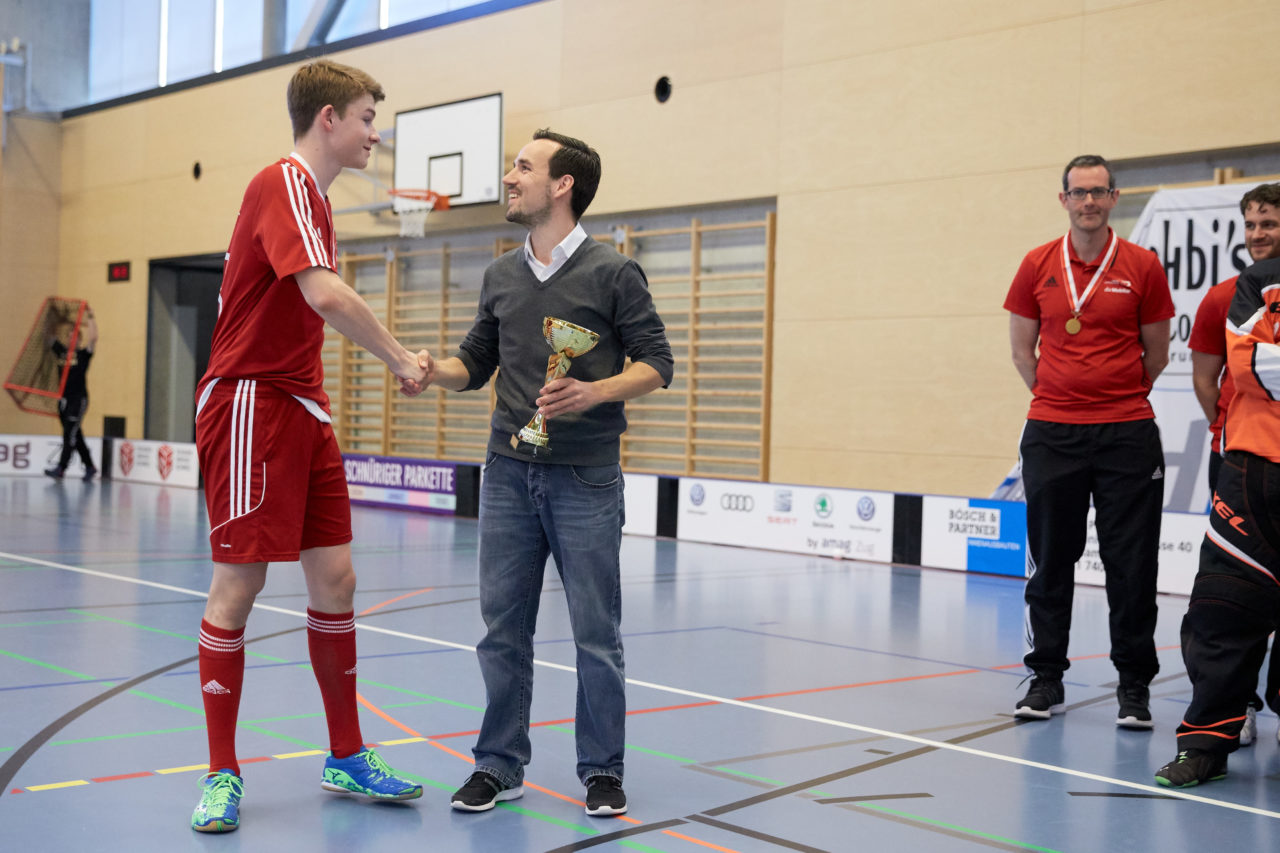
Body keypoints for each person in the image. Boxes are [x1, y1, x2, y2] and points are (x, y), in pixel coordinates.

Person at [188, 59, 429, 833]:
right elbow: (324, 294)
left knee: (336, 577)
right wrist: (400, 357)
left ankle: (346, 752)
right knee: (240, 584)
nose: (374, 133)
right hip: (251, 401)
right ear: (329, 118)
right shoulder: (285, 182)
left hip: (302, 405)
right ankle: (221, 771)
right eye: (366, 117)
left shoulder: (315, 201)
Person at [422, 129, 673, 817]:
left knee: (596, 632)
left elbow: (658, 363)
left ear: (562, 185)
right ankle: (498, 763)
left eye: (523, 167)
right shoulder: (500, 275)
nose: (510, 177)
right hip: (507, 472)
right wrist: (432, 371)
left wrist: (594, 392)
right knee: (501, 629)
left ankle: (602, 769)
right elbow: (475, 364)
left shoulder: (614, 273)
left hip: (586, 479)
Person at [1004, 154, 1174, 727]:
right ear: (1064, 200)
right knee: (1051, 560)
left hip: (1127, 433)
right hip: (1053, 433)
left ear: (1114, 198)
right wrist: (1060, 397)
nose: (1090, 202)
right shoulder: (1036, 264)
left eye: (1099, 192)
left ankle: (1134, 687)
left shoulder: (1143, 266)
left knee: (1133, 564)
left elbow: (1157, 354)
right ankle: (1045, 678)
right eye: (1079, 193)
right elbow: (1022, 352)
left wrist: (1113, 398)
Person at [1154, 252, 1280, 787]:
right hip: (1253, 473)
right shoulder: (1260, 282)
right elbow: (1252, 367)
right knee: (1221, 606)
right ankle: (1206, 743)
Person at [1187, 183, 1280, 747]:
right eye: (1250, 224)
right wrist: (1228, 433)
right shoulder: (1225, 295)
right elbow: (1206, 378)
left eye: (1268, 223)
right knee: (1231, 593)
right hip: (1237, 462)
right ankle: (1236, 705)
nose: (1257, 234)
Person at [44, 306, 98, 480]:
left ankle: (61, 468)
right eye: (69, 337)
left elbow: (94, 338)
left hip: (78, 399)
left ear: (79, 340)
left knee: (69, 434)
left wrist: (90, 316)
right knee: (75, 433)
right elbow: (49, 336)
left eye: (75, 337)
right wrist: (52, 317)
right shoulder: (61, 352)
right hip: (63, 400)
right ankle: (90, 466)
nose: (71, 340)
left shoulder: (83, 354)